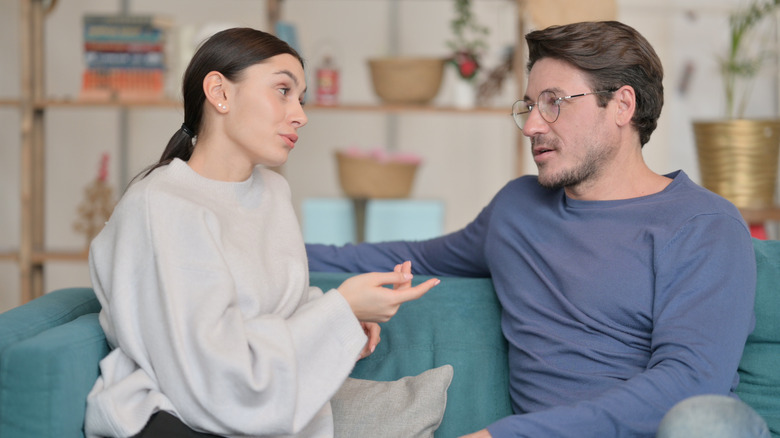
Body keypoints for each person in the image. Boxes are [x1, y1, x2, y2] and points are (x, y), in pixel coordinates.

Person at [306, 21, 769, 437]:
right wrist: (258, 249)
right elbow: (402, 258)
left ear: (622, 105)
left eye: (554, 103)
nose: (530, 125)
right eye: (529, 105)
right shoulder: (518, 209)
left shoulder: (703, 225)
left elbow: (690, 384)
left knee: (704, 423)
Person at [84, 27, 439, 438]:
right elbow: (214, 376)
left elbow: (277, 312)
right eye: (283, 91)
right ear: (220, 92)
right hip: (176, 423)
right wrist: (339, 311)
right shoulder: (163, 205)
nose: (301, 115)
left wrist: (346, 321)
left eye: (301, 98)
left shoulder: (272, 193)